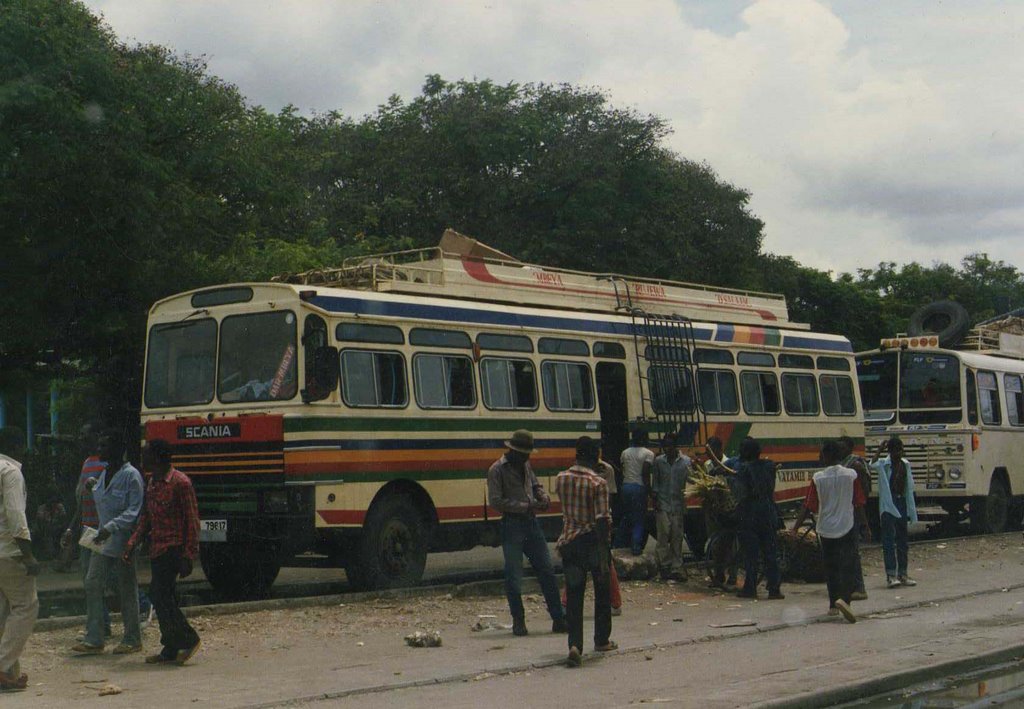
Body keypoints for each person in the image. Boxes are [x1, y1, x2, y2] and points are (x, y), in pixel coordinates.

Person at [124, 439, 202, 665]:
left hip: (174, 548)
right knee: (164, 597)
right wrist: (133, 542)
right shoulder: (152, 483)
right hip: (157, 547)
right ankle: (170, 646)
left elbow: (192, 520)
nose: (143, 458)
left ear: (157, 457)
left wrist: (189, 554)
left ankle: (188, 639)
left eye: (146, 454)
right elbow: (147, 517)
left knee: (159, 595)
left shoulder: (181, 483)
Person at [486, 429, 568, 636]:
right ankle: (518, 620)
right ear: (512, 451)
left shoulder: (525, 465)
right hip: (512, 524)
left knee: (547, 571)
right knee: (514, 576)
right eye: (523, 454)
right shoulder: (496, 470)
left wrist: (542, 496)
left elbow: (535, 484)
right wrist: (525, 505)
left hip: (531, 522)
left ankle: (558, 618)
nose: (526, 457)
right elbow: (496, 501)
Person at [71, 427, 144, 655]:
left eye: (105, 446)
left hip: (122, 540)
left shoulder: (131, 475)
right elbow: (104, 502)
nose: (100, 449)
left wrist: (110, 528)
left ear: (118, 449)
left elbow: (134, 510)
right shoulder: (103, 473)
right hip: (101, 539)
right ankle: (95, 638)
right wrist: (94, 487)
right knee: (93, 582)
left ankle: (132, 638)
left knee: (126, 588)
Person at [790, 440, 871, 623]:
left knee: (831, 566)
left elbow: (808, 505)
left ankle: (833, 604)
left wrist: (795, 527)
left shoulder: (818, 478)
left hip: (826, 528)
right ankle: (846, 600)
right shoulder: (851, 475)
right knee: (848, 565)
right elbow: (858, 503)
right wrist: (865, 526)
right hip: (847, 526)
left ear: (826, 456)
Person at [555, 436, 616, 667]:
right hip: (592, 542)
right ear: (595, 455)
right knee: (602, 592)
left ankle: (574, 644)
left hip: (569, 541)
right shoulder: (598, 483)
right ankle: (601, 640)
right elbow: (602, 520)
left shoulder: (561, 478)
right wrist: (603, 551)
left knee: (574, 595)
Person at [61, 428, 112, 639]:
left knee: (96, 581)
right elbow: (82, 501)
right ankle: (102, 624)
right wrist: (73, 527)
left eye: (86, 435)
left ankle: (96, 631)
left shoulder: (106, 464)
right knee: (93, 581)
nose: (82, 439)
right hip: (87, 530)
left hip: (101, 530)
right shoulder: (86, 463)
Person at [0, 432, 41, 691]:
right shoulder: (11, 472)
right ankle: (3, 666)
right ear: (15, 447)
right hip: (8, 551)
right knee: (27, 606)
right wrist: (28, 554)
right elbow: (16, 515)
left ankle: (10, 673)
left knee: (4, 612)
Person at [562, 447, 623, 616]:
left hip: (589, 526)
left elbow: (608, 497)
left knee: (586, 568)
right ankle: (613, 603)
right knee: (602, 567)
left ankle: (568, 603)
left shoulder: (604, 471)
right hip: (589, 525)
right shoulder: (581, 473)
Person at [734, 436, 784, 600]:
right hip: (769, 511)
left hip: (750, 513)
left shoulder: (744, 469)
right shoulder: (770, 466)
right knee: (770, 552)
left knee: (751, 554)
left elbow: (741, 494)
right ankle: (774, 589)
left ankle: (750, 588)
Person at [871, 436, 918, 589]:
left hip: (901, 501)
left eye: (900, 450)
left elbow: (909, 487)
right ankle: (891, 575)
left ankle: (903, 573)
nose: (899, 453)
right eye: (895, 451)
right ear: (890, 451)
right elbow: (872, 464)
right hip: (888, 504)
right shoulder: (884, 464)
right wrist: (880, 449)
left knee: (903, 540)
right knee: (889, 540)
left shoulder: (905, 464)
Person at [650, 432, 691, 581]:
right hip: (663, 504)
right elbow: (655, 484)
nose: (667, 449)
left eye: (669, 445)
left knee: (677, 537)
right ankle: (665, 566)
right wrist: (655, 502)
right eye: (665, 446)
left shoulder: (686, 462)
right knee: (663, 536)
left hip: (678, 505)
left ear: (675, 446)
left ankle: (676, 567)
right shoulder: (659, 462)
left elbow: (691, 480)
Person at [703, 436, 738, 590]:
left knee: (731, 544)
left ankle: (733, 574)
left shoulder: (729, 464)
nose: (709, 455)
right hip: (714, 509)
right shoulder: (707, 465)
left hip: (728, 510)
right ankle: (719, 574)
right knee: (716, 543)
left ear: (719, 450)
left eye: (711, 451)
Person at [838, 435, 870, 600]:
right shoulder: (842, 465)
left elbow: (861, 494)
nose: (840, 450)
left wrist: (864, 521)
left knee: (852, 552)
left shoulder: (855, 466)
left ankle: (859, 586)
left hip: (853, 513)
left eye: (842, 447)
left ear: (849, 448)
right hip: (844, 513)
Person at [617, 428, 654, 555]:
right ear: (645, 438)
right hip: (639, 488)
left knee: (627, 516)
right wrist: (650, 492)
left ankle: (618, 544)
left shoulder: (625, 452)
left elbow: (623, 470)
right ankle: (636, 547)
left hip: (626, 487)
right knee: (639, 519)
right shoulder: (648, 453)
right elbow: (645, 474)